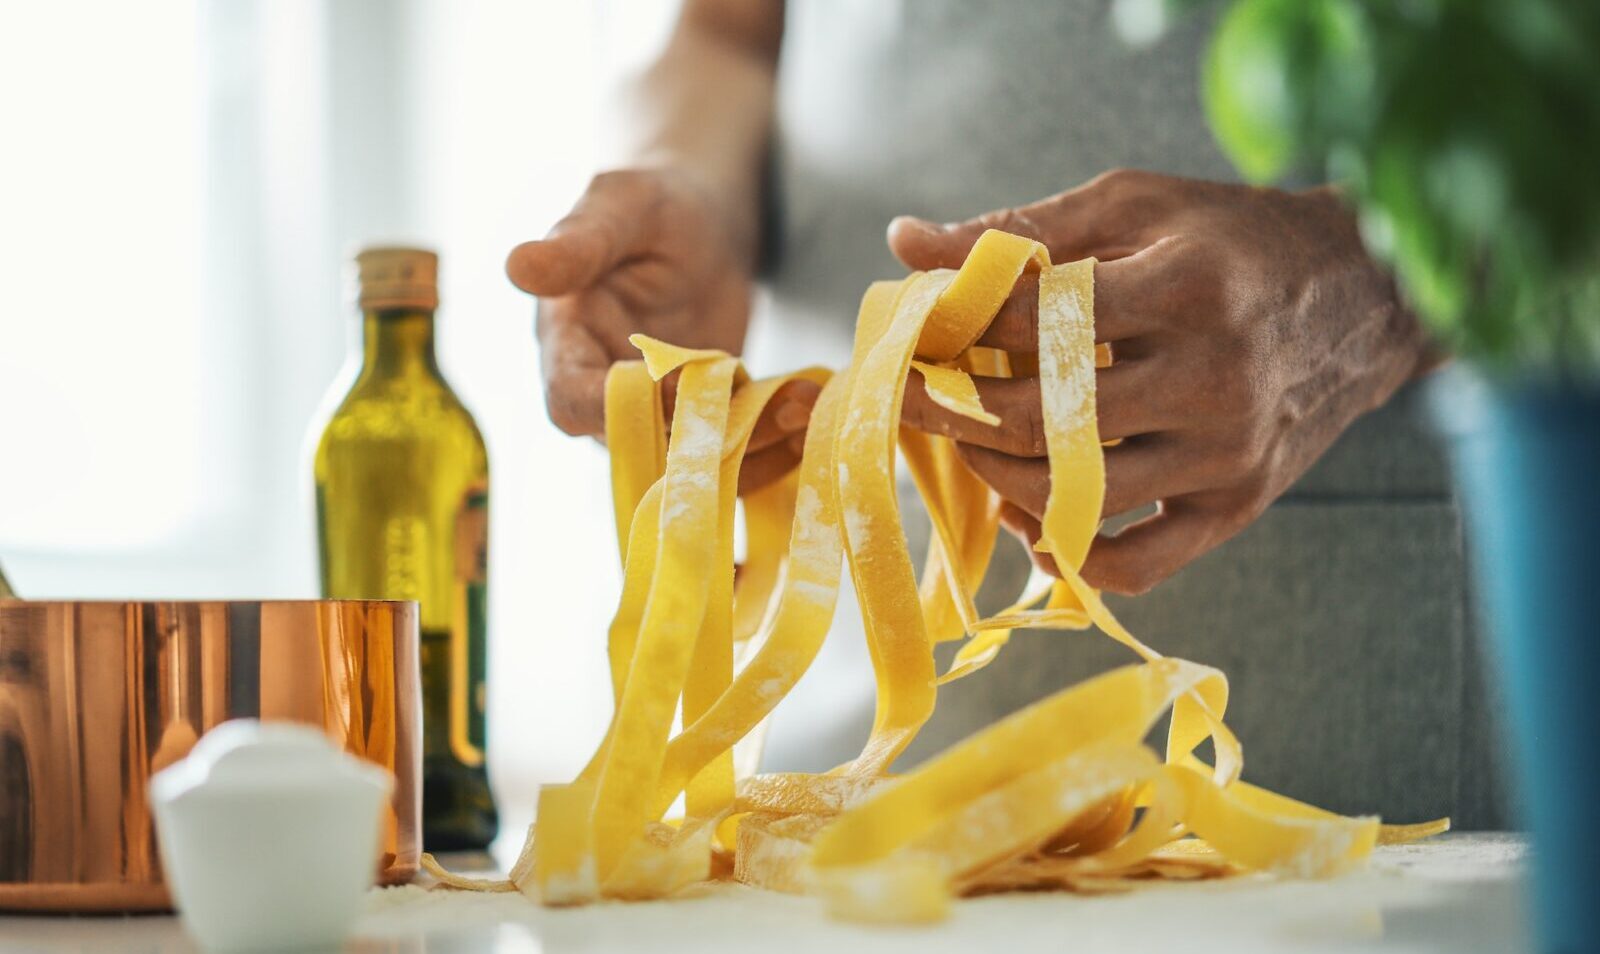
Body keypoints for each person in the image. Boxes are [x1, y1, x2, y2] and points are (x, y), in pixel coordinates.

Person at [507, 0, 1507, 829]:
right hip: (853, 763)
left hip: (1364, 709)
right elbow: (725, 33)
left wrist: (1376, 284)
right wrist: (692, 187)